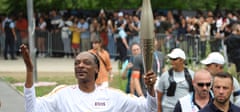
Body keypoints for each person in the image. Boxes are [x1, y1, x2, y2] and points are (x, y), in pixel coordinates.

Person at [21, 44, 157, 112]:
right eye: (77, 63)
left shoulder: (112, 96)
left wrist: (150, 89)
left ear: (96, 69)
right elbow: (31, 108)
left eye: (86, 63)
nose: (80, 65)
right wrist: (29, 70)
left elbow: (148, 108)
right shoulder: (62, 94)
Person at [156, 48, 194, 112]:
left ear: (182, 60)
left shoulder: (192, 75)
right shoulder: (165, 76)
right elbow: (159, 96)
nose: (172, 61)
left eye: (174, 59)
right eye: (171, 59)